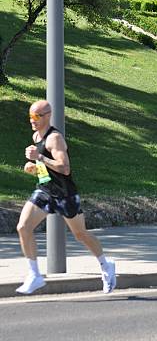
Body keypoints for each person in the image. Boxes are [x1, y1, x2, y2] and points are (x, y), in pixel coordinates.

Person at [16, 100, 116, 295]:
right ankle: (35, 274)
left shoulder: (55, 138)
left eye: (36, 117)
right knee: (23, 227)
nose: (32, 120)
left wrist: (40, 158)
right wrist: (35, 169)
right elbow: (47, 170)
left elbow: (64, 168)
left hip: (65, 194)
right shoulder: (36, 136)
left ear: (47, 115)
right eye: (30, 116)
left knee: (80, 234)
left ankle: (106, 265)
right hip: (45, 190)